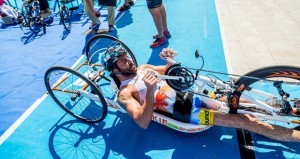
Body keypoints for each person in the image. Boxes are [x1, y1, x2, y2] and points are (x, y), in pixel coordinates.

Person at [101, 46, 300, 142]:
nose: (129, 61)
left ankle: (291, 109)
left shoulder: (144, 67)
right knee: (247, 121)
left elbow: (175, 73)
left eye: (127, 57)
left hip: (195, 94)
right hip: (189, 113)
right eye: (123, 61)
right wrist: (151, 90)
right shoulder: (125, 93)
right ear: (114, 70)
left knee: (247, 99)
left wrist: (169, 59)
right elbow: (142, 122)